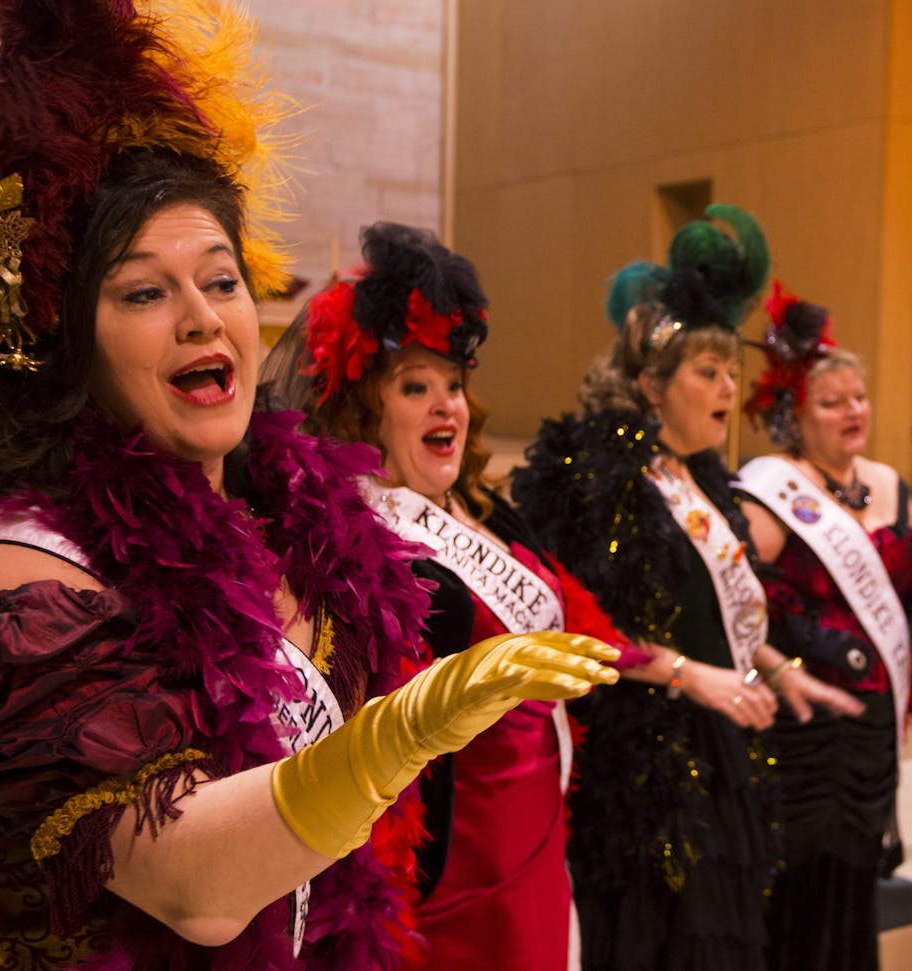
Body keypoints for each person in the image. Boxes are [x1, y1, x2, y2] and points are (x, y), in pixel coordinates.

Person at [0, 3, 618, 967]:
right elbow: (195, 886)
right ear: (63, 340)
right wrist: (400, 735)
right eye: (143, 291)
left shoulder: (298, 527)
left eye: (221, 281)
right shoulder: (9, 577)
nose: (200, 320)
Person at [260, 221, 634, 970]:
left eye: (454, 386)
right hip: (457, 879)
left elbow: (572, 626)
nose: (447, 408)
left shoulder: (491, 512)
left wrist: (687, 672)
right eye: (415, 387)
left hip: (538, 845)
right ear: (367, 408)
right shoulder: (356, 543)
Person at [511, 206, 862, 971]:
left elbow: (717, 609)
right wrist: (688, 673)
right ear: (649, 384)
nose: (729, 387)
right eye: (709, 372)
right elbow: (582, 633)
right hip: (647, 774)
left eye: (734, 372)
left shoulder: (701, 476)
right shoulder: (601, 484)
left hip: (717, 745)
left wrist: (775, 666)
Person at [734, 286, 912, 971]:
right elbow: (749, 601)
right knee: (803, 886)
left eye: (858, 397)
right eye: (831, 403)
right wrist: (817, 642)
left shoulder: (890, 482)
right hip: (804, 723)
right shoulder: (772, 489)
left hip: (870, 724)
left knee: (857, 877)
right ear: (794, 417)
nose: (852, 411)